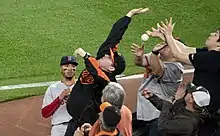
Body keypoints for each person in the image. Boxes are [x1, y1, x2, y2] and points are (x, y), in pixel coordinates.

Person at [65, 8, 149, 136]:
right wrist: (129, 16)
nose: (105, 55)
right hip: (74, 118)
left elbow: (96, 72)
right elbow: (113, 37)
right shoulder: (102, 59)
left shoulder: (108, 82)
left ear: (111, 68)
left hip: (87, 125)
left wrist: (85, 56)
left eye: (109, 57)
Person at [155, 17, 220, 136]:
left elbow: (179, 55)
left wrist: (169, 36)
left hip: (200, 110)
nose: (211, 34)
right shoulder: (210, 54)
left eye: (215, 35)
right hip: (200, 105)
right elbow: (184, 49)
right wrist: (165, 36)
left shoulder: (212, 58)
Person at [131, 41, 184, 136]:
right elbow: (140, 62)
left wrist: (154, 53)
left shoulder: (176, 69)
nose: (163, 46)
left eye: (167, 46)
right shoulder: (158, 58)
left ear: (175, 52)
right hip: (147, 113)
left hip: (158, 117)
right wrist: (139, 56)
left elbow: (157, 71)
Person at [142, 82, 211, 136]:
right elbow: (168, 109)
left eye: (189, 92)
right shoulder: (186, 106)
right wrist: (152, 97)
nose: (187, 92)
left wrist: (170, 101)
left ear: (191, 100)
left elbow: (162, 126)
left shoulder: (187, 123)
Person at [41, 56, 78, 136]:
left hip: (77, 127)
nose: (70, 69)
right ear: (61, 68)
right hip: (59, 128)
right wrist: (59, 99)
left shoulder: (81, 86)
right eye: (66, 66)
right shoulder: (53, 88)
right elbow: (45, 113)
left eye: (73, 66)